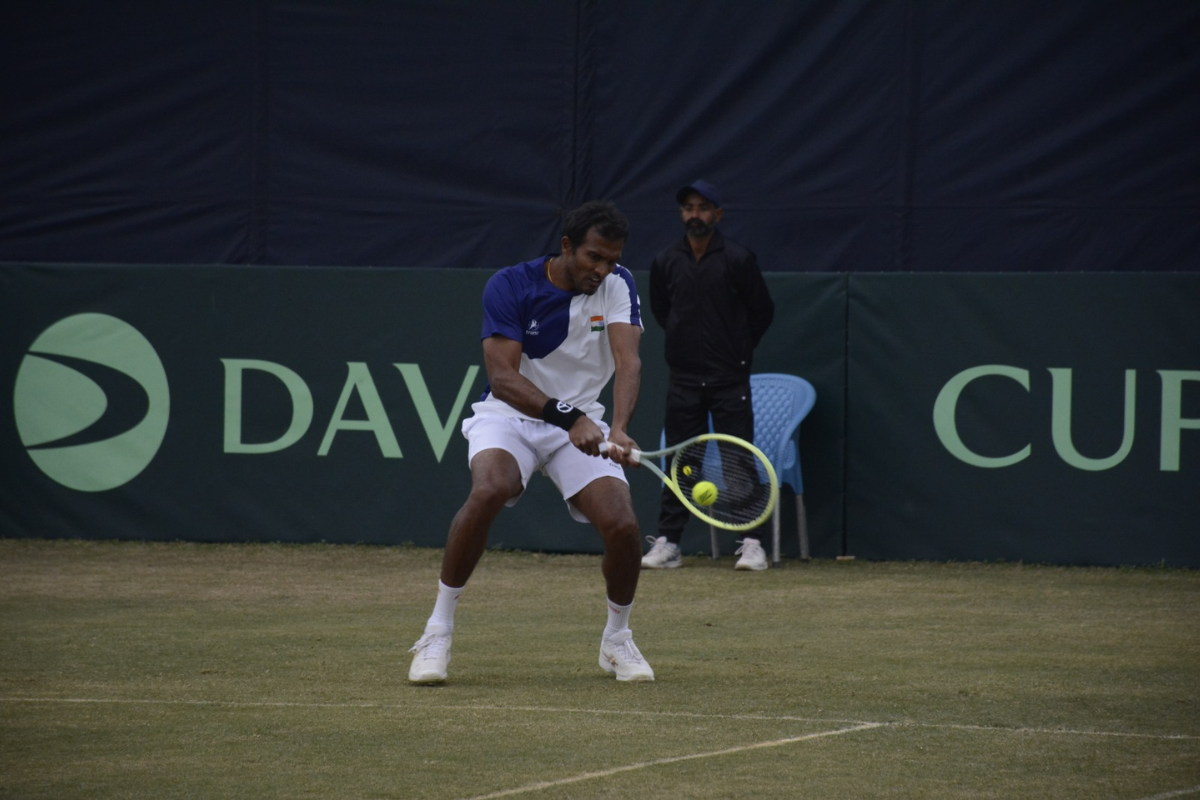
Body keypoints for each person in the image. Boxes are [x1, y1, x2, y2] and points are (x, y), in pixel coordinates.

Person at [408, 200, 655, 684]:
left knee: (623, 525)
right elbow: (502, 378)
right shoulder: (510, 284)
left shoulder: (619, 284)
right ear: (566, 246)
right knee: (489, 490)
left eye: (611, 259)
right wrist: (568, 417)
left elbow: (630, 363)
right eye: (593, 258)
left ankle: (617, 640)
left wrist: (619, 428)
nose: (602, 270)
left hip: (584, 422)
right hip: (510, 417)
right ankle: (437, 631)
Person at [643, 180, 775, 571]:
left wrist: (735, 353)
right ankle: (669, 544)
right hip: (683, 380)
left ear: (717, 214)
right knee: (681, 464)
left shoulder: (737, 259)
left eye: (703, 207)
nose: (695, 214)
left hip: (729, 380)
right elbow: (662, 311)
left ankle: (752, 543)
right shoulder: (666, 260)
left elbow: (761, 312)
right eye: (688, 207)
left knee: (739, 460)